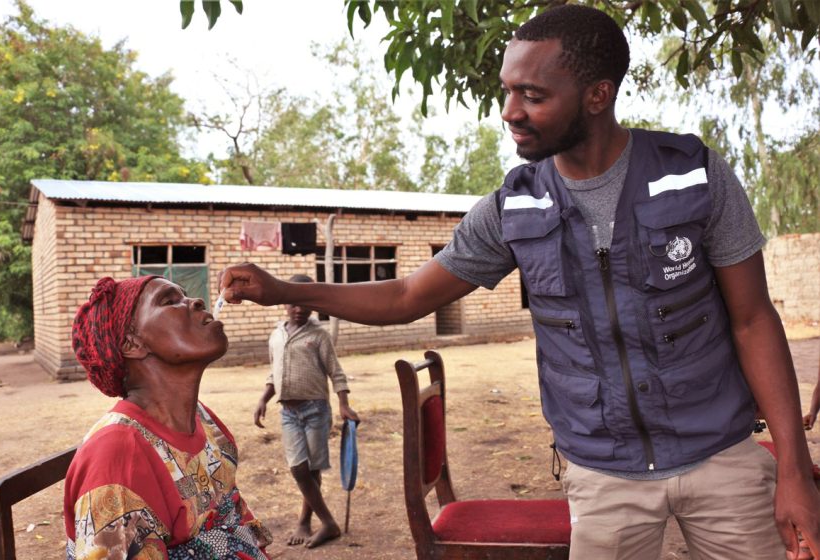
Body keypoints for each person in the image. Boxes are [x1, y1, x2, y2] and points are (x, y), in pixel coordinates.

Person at [218, 5, 820, 559]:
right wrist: (286, 290)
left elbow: (752, 319)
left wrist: (793, 468)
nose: (509, 112)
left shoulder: (694, 177)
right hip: (603, 475)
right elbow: (405, 297)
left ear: (596, 95)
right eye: (507, 91)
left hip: (722, 460)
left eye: (531, 95)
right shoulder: (513, 208)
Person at [64, 275, 272, 560]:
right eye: (169, 301)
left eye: (185, 296)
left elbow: (232, 516)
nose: (196, 301)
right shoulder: (117, 457)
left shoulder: (202, 419)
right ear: (131, 344)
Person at [253, 274, 360, 549]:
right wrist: (264, 398)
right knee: (297, 467)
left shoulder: (319, 335)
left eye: (305, 303)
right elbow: (273, 371)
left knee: (311, 469)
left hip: (316, 410)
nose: (299, 309)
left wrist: (344, 404)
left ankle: (306, 520)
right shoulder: (276, 334)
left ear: (312, 305)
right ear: (284, 303)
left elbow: (336, 372)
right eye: (293, 303)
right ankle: (329, 522)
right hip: (288, 412)